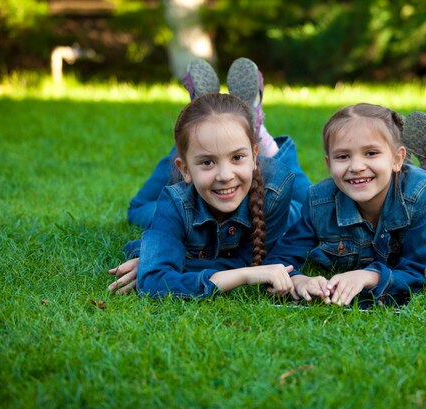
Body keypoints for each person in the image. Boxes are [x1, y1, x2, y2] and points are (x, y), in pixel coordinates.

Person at [109, 58, 310, 294]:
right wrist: (244, 275)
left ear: (255, 157)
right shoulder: (175, 202)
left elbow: (261, 261)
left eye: (237, 157)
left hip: (286, 208)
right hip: (199, 183)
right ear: (183, 170)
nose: (225, 176)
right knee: (140, 208)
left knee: (313, 208)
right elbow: (154, 281)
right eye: (207, 162)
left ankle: (241, 129)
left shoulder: (276, 189)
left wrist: (170, 259)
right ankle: (204, 122)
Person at [265, 104, 426, 307]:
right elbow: (280, 258)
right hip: (403, 195)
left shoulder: (420, 193)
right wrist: (299, 279)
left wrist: (369, 275)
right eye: (342, 156)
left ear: (397, 159)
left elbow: (420, 270)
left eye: (371, 153)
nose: (356, 166)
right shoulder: (319, 202)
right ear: (329, 164)